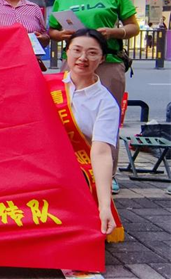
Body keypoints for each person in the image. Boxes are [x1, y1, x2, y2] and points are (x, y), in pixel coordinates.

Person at [49, 0, 139, 193]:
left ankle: (108, 174)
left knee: (107, 119)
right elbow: (52, 30)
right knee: (70, 115)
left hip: (108, 62)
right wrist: (59, 34)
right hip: (74, 65)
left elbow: (133, 27)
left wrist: (114, 32)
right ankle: (72, 168)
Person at [45, 29, 120, 237]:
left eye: (92, 53)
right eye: (77, 50)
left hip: (76, 167)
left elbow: (101, 152)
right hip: (43, 161)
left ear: (102, 58)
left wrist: (105, 206)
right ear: (66, 52)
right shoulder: (46, 84)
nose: (83, 58)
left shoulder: (105, 103)